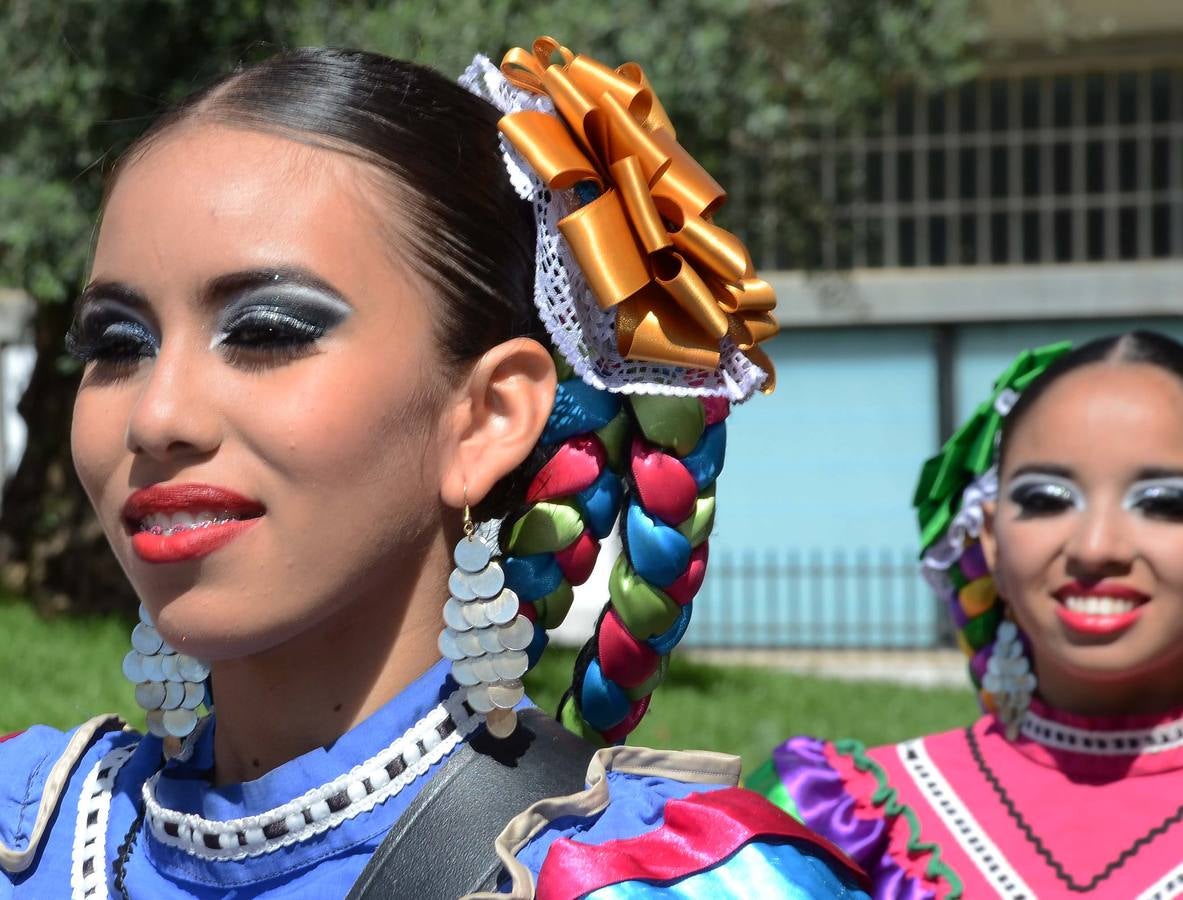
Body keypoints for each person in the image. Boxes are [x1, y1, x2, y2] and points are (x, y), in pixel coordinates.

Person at [0, 37, 871, 900]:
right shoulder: (26, 829)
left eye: (266, 331)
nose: (156, 417)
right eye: (116, 344)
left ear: (486, 416)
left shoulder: (662, 883)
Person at [751, 331, 1183, 898]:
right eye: (1046, 499)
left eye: (1164, 503)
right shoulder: (830, 820)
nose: (1095, 547)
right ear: (989, 538)